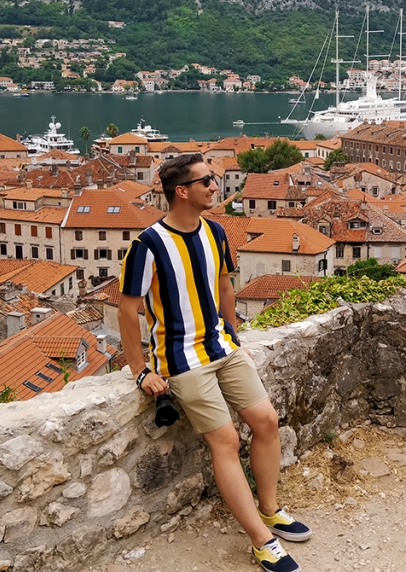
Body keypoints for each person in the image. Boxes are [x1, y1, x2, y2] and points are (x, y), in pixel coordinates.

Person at [118, 152, 311, 572]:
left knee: (267, 422)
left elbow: (224, 281)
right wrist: (140, 371)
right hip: (181, 359)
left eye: (213, 178)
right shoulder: (147, 245)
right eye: (206, 180)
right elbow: (127, 309)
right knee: (225, 442)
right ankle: (262, 542)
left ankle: (269, 509)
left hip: (222, 347)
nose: (214, 186)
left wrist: (232, 329)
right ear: (181, 191)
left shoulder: (216, 231)